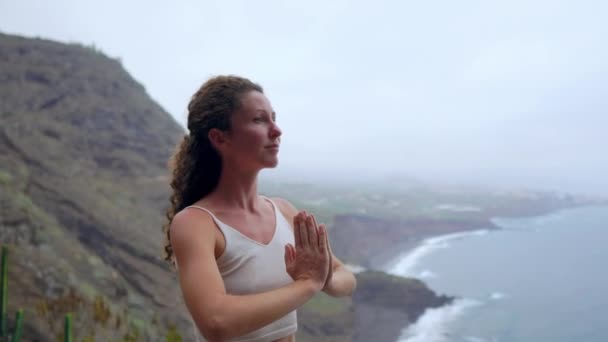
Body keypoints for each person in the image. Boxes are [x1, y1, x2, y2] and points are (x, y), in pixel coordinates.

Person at [162, 75, 357, 342]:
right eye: (259, 120)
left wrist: (324, 278)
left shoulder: (284, 211)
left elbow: (344, 277)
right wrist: (307, 284)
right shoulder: (196, 223)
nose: (276, 130)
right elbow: (217, 322)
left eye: (273, 118)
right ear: (220, 138)